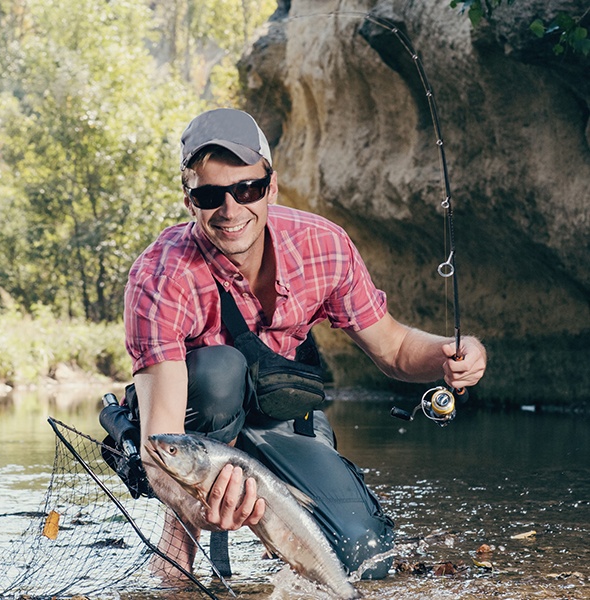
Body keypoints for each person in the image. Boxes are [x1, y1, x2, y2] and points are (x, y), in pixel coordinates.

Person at [123, 108, 487, 579]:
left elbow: (395, 349)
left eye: (247, 189)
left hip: (284, 417)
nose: (231, 210)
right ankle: (179, 542)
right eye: (211, 195)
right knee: (219, 372)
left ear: (271, 186)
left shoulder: (323, 246)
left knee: (362, 561)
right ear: (189, 200)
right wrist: (196, 507)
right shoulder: (159, 278)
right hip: (202, 426)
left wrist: (448, 354)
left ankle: (291, 530)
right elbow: (160, 445)